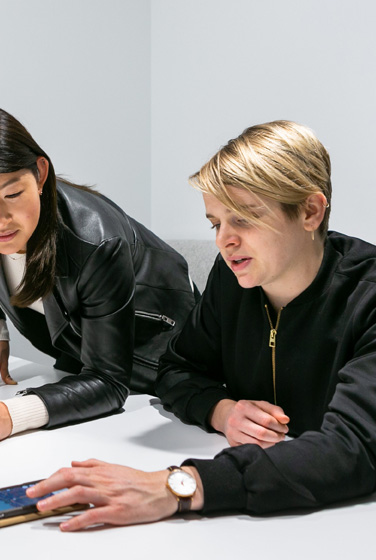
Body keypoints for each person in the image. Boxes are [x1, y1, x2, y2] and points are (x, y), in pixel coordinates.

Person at [26, 120, 376, 530]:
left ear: (310, 211)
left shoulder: (367, 297)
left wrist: (179, 486)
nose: (223, 241)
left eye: (244, 218)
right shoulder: (235, 278)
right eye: (216, 223)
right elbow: (176, 368)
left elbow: (352, 449)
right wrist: (221, 411)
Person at [0, 103, 196, 445]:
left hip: (161, 369)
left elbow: (110, 382)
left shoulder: (97, 242)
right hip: (84, 364)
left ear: (40, 174)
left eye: (13, 194)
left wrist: (11, 414)